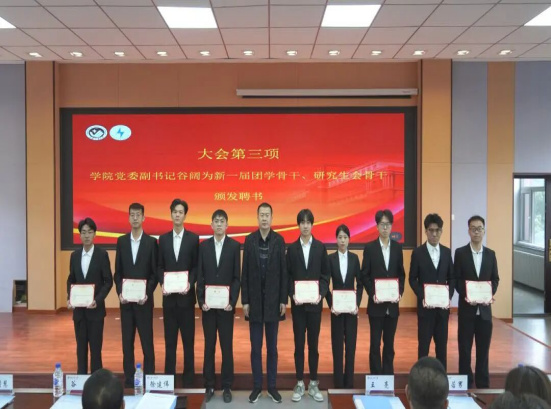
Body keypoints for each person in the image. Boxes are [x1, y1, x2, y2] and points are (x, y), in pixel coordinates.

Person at [241, 203, 288, 404]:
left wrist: (283, 299)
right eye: (261, 215)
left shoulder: (279, 240)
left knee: (272, 348)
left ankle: (273, 387)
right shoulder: (249, 240)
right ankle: (257, 387)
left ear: (272, 217)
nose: (264, 218)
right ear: (257, 217)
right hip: (254, 302)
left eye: (267, 215)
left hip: (273, 302)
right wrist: (245, 301)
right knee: (255, 348)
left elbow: (284, 273)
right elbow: (244, 273)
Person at [197, 210, 241, 404]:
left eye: (222, 221)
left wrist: (232, 301)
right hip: (208, 307)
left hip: (225, 308)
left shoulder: (234, 246)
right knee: (209, 347)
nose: (219, 224)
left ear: (227, 225)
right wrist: (201, 301)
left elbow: (236, 278)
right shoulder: (203, 247)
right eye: (216, 221)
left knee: (226, 347)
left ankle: (227, 386)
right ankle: (209, 385)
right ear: (211, 224)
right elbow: (200, 276)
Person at [287, 209, 330, 403]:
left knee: (313, 344)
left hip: (314, 305)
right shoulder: (292, 249)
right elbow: (288, 276)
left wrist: (320, 294)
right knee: (298, 345)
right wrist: (292, 293)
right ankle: (299, 383)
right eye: (302, 222)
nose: (305, 226)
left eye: (308, 222)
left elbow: (325, 275)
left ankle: (313, 383)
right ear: (298, 225)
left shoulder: (320, 248)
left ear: (312, 225)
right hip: (298, 306)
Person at [114, 203, 158, 387]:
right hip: (126, 303)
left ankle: (149, 377)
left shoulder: (151, 242)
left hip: (144, 302)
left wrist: (147, 293)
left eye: (138, 215)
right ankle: (129, 379)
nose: (135, 218)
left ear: (143, 218)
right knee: (127, 343)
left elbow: (154, 274)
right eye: (132, 215)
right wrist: (120, 292)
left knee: (147, 342)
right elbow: (117, 273)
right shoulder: (122, 242)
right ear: (128, 218)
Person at [157, 199, 199, 387]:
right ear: (171, 214)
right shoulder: (163, 239)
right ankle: (169, 379)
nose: (177, 215)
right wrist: (163, 283)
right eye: (175, 211)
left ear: (185, 215)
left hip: (186, 299)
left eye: (180, 212)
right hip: (169, 300)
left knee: (188, 342)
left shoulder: (193, 239)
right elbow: (159, 266)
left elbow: (196, 266)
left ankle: (189, 380)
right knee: (170, 343)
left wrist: (190, 283)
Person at [455, 215, 500, 389]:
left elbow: (495, 279)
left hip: (485, 313)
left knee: (483, 350)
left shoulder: (491, 255)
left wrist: (488, 293)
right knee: (464, 349)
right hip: (467, 310)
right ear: (468, 231)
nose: (476, 232)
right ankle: (464, 383)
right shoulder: (460, 253)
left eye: (479, 228)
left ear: (484, 231)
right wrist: (468, 295)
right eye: (473, 228)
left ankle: (482, 384)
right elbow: (457, 280)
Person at [361, 209, 406, 375]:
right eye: (382, 224)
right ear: (377, 226)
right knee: (375, 344)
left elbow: (401, 274)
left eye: (387, 224)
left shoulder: (397, 248)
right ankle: (376, 377)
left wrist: (399, 292)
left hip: (392, 306)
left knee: (389, 344)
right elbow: (364, 274)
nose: (385, 228)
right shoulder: (370, 248)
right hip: (376, 305)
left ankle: (388, 377)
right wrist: (373, 293)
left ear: (392, 226)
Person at [67, 218, 113, 375]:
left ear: (95, 234)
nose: (86, 235)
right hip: (79, 312)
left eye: (90, 232)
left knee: (95, 349)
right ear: (79, 235)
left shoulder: (102, 255)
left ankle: (96, 381)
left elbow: (108, 281)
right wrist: (70, 298)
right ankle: (81, 379)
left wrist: (97, 300)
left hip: (95, 311)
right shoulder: (74, 255)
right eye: (83, 232)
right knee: (80, 349)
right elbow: (71, 279)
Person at [409, 214, 455, 370]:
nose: (434, 234)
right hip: (425, 310)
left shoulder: (447, 252)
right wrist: (424, 296)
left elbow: (452, 278)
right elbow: (412, 279)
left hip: (442, 310)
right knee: (423, 347)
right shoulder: (418, 253)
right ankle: (421, 378)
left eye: (437, 230)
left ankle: (441, 379)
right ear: (426, 231)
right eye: (431, 230)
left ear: (441, 231)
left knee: (442, 348)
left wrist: (447, 296)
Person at [326, 224, 362, 389]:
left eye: (345, 237)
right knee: (337, 347)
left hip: (351, 310)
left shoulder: (354, 258)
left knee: (351, 347)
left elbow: (360, 284)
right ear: (336, 239)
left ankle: (349, 384)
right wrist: (331, 304)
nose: (342, 240)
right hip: (337, 310)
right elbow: (325, 283)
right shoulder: (330, 259)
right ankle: (338, 384)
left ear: (349, 239)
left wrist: (357, 303)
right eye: (340, 237)